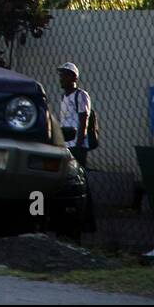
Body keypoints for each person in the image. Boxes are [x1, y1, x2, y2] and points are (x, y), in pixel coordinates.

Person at [58, 61, 96, 233]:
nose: (61, 78)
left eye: (65, 75)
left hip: (77, 145)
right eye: (61, 74)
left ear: (74, 77)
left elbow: (83, 118)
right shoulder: (64, 97)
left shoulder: (80, 95)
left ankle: (87, 220)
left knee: (81, 181)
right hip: (66, 144)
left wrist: (79, 143)